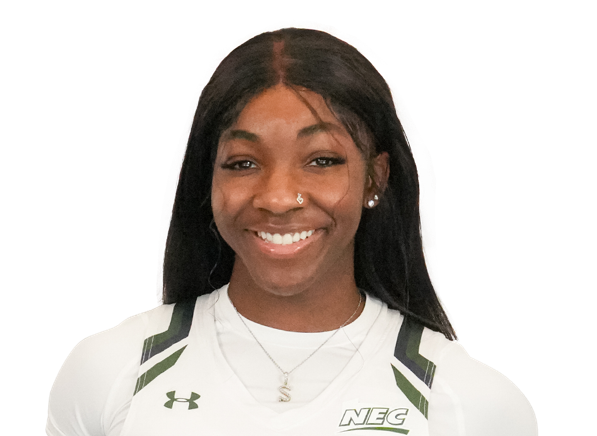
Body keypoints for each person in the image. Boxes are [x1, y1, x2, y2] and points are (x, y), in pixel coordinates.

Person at [46, 23, 538, 435]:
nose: (279, 198)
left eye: (321, 160)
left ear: (375, 177)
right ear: (208, 180)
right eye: (243, 163)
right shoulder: (111, 372)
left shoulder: (468, 403)